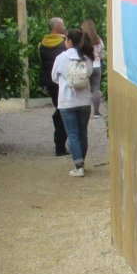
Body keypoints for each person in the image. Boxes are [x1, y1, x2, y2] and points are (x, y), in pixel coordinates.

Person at [51, 27, 96, 177]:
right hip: (84, 101)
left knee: (72, 134)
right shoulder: (87, 57)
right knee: (83, 133)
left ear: (69, 41)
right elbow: (89, 73)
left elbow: (54, 77)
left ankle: (78, 166)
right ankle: (81, 161)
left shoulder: (61, 58)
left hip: (67, 101)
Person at [37, 17, 69, 156]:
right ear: (57, 27)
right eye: (62, 24)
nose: (64, 26)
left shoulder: (42, 44)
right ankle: (60, 145)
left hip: (51, 83)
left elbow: (42, 63)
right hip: (63, 82)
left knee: (59, 109)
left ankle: (60, 144)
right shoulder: (65, 43)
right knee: (63, 112)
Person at [80, 18, 105, 117]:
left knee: (84, 89)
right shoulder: (98, 39)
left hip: (85, 66)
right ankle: (96, 112)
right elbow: (102, 54)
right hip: (97, 66)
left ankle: (84, 112)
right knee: (95, 89)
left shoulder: (81, 40)